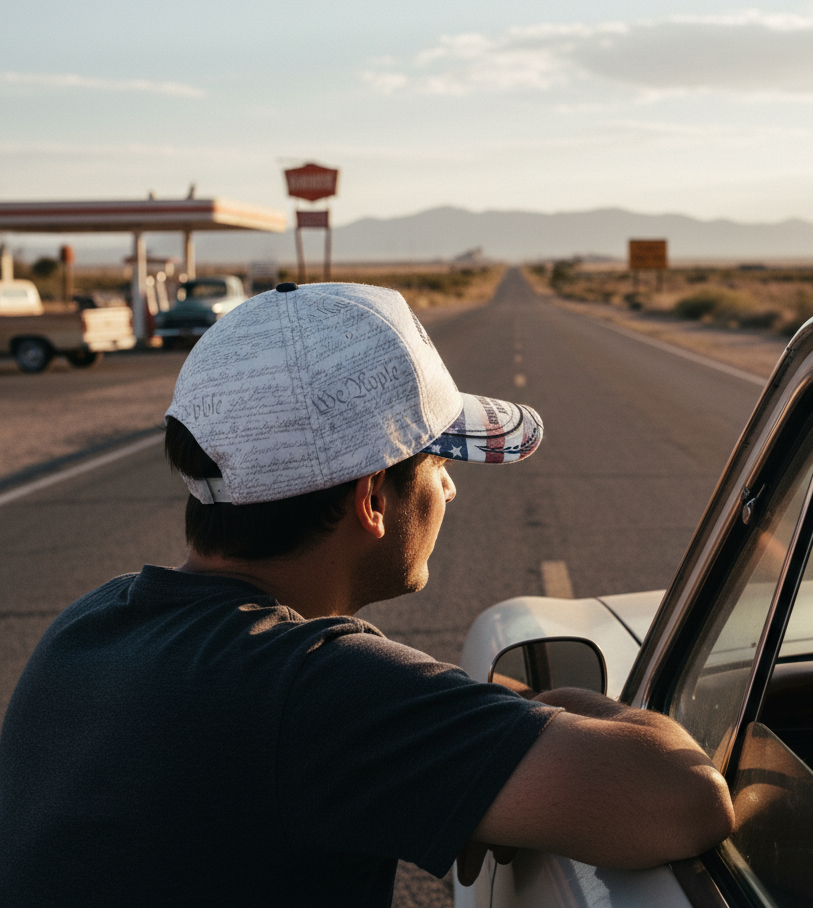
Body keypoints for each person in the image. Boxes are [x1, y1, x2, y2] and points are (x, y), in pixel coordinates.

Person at [0, 281, 733, 906]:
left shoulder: (88, 627)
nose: (449, 487)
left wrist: (484, 752)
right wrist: (536, 712)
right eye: (440, 459)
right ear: (372, 497)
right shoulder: (310, 688)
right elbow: (684, 800)